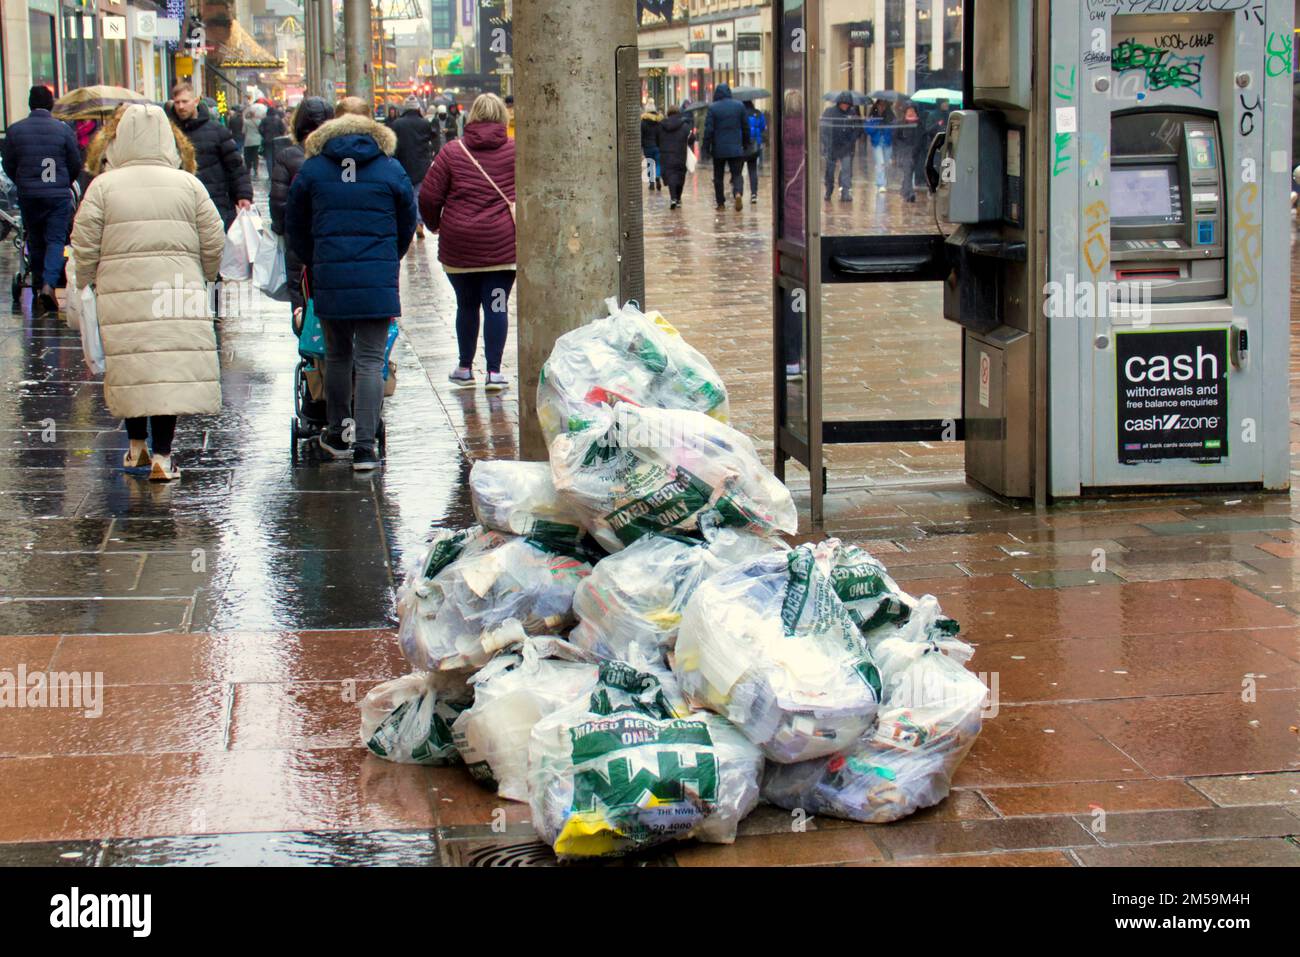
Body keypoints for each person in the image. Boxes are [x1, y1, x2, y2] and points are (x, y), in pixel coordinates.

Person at [70, 104, 226, 482]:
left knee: (133, 366)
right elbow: (214, 237)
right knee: (166, 369)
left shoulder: (103, 186)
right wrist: (204, 275)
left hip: (121, 292)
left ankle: (136, 446)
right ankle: (163, 455)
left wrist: (85, 281)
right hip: (176, 291)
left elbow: (84, 243)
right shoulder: (188, 184)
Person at [285, 101, 416, 472]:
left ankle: (338, 434)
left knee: (338, 356)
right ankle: (365, 447)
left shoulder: (312, 170)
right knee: (372, 361)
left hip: (330, 276)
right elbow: (408, 218)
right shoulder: (390, 168)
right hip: (377, 279)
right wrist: (390, 256)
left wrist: (317, 258)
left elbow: (294, 225)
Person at [418, 93, 516, 393]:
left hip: (459, 246)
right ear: (503, 117)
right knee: (497, 306)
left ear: (471, 116)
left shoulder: (451, 152)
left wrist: (434, 224)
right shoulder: (517, 150)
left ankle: (464, 368)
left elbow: (428, 197)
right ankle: (494, 372)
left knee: (467, 305)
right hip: (502, 246)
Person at [1, 86, 82, 314]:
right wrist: (65, 182)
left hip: (29, 194)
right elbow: (74, 162)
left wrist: (22, 180)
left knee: (35, 238)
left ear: (29, 104)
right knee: (56, 239)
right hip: (57, 194)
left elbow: (8, 163)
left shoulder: (15, 131)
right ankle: (49, 283)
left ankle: (37, 285)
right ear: (51, 105)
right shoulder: (63, 130)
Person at [269, 96, 331, 315]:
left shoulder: (287, 156)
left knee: (302, 299)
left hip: (299, 242)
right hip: (330, 239)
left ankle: (307, 338)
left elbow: (279, 204)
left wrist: (281, 228)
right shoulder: (340, 156)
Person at [167, 82, 252, 229]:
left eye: (185, 101)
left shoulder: (216, 130)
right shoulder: (168, 132)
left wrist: (243, 194)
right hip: (180, 205)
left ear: (196, 101)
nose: (181, 106)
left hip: (215, 202)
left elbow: (234, 165)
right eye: (177, 102)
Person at [391, 95, 440, 239]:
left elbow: (392, 145)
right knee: (418, 195)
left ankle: (408, 224)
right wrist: (434, 154)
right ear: (417, 108)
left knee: (405, 196)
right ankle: (419, 222)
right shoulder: (424, 123)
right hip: (421, 164)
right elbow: (434, 138)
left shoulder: (397, 124)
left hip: (402, 164)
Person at [703, 83, 750, 211]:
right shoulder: (739, 106)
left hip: (719, 149)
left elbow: (709, 130)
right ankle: (738, 193)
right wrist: (746, 144)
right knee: (737, 174)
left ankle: (721, 203)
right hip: (735, 147)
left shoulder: (713, 108)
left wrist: (705, 148)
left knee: (718, 176)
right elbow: (746, 128)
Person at [820, 91, 860, 203]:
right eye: (843, 103)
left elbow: (857, 128)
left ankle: (845, 192)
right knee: (830, 171)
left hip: (846, 147)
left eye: (847, 104)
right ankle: (829, 189)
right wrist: (826, 142)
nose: (845, 106)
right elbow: (823, 129)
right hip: (832, 146)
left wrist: (852, 139)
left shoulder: (852, 113)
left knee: (846, 171)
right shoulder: (829, 112)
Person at [655, 105, 696, 210]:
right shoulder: (684, 126)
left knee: (670, 176)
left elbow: (656, 139)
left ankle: (673, 198)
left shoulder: (661, 126)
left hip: (666, 154)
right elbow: (692, 139)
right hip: (680, 154)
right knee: (680, 176)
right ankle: (677, 198)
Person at [865, 99, 894, 194]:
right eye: (880, 105)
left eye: (883, 105)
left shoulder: (890, 116)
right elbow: (868, 129)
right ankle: (881, 184)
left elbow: (894, 128)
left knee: (885, 163)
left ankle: (883, 181)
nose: (881, 107)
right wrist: (876, 126)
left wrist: (887, 127)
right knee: (880, 163)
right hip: (877, 143)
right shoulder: (873, 116)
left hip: (887, 142)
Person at [743, 99, 767, 205]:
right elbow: (763, 127)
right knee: (753, 170)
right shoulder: (758, 113)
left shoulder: (741, 113)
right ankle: (754, 194)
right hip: (755, 146)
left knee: (738, 170)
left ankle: (738, 192)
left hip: (743, 145)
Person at [258, 102, 287, 179]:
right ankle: (275, 173)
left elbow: (260, 129)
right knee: (276, 157)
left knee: (269, 158)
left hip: (267, 141)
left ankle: (270, 175)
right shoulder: (278, 120)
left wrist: (264, 135)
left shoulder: (264, 120)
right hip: (277, 141)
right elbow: (283, 129)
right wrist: (280, 135)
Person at [640, 99, 663, 191]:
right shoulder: (658, 121)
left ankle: (651, 182)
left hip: (647, 146)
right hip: (657, 146)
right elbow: (661, 133)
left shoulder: (643, 122)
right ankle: (657, 176)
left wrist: (641, 146)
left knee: (650, 163)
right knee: (658, 163)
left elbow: (641, 135)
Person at [242, 99, 266, 178]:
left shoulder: (246, 122)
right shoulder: (259, 121)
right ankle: (256, 170)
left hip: (248, 141)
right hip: (257, 140)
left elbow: (243, 131)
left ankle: (248, 170)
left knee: (248, 156)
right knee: (255, 156)